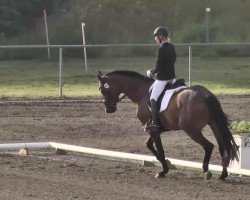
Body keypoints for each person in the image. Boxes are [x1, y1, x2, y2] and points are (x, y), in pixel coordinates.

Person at [144, 26, 176, 133]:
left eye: (156, 36)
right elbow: (173, 61)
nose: (155, 38)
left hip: (163, 79)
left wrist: (150, 72)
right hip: (172, 78)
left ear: (161, 36)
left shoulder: (161, 49)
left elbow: (158, 66)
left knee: (153, 97)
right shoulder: (172, 47)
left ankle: (154, 122)